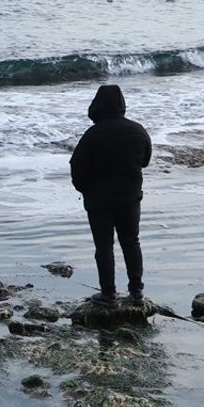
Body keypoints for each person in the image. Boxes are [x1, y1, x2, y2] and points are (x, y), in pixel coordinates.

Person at [69, 84, 152, 306]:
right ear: (121, 104)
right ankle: (136, 292)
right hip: (130, 197)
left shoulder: (93, 134)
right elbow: (145, 160)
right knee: (131, 242)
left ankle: (108, 294)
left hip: (99, 201)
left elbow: (76, 166)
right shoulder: (137, 130)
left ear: (97, 105)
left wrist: (83, 188)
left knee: (104, 247)